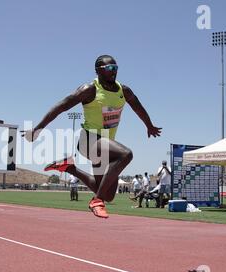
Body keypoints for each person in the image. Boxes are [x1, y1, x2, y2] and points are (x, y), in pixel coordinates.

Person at [22, 55, 161, 219]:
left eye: (115, 68)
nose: (114, 72)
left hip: (105, 147)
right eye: (109, 69)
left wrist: (149, 125)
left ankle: (70, 168)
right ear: (98, 71)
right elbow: (61, 106)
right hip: (89, 141)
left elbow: (138, 107)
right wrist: (39, 128)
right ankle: (96, 201)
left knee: (108, 194)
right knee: (126, 154)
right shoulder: (90, 89)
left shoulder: (124, 91)